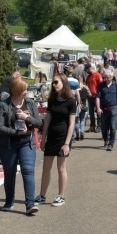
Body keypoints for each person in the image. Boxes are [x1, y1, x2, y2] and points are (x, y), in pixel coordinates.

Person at [0, 77, 42, 213]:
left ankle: (30, 204)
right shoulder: (4, 105)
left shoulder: (30, 103)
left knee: (28, 171)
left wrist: (26, 118)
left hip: (27, 143)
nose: (27, 91)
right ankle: (9, 201)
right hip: (8, 144)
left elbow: (39, 123)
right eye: (24, 89)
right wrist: (15, 132)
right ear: (17, 90)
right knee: (9, 173)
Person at [37, 74, 77, 207]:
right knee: (46, 168)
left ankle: (61, 196)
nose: (54, 85)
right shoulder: (52, 100)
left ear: (63, 83)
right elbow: (47, 119)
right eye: (53, 83)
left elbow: (71, 123)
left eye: (56, 82)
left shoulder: (71, 101)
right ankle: (42, 195)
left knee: (61, 168)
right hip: (52, 136)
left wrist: (67, 143)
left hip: (63, 137)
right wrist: (43, 138)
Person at [95, 68, 117, 151]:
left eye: (108, 77)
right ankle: (105, 140)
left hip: (113, 108)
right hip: (103, 108)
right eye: (105, 77)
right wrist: (98, 108)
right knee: (103, 127)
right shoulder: (101, 85)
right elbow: (97, 97)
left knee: (113, 127)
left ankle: (111, 144)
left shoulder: (116, 84)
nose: (106, 79)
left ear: (112, 77)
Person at [86, 64, 102, 132]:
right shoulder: (88, 76)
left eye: (87, 69)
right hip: (90, 96)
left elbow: (101, 85)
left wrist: (99, 94)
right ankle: (92, 126)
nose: (86, 71)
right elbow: (86, 85)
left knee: (98, 111)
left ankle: (99, 126)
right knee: (91, 112)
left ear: (90, 68)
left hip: (96, 96)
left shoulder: (97, 75)